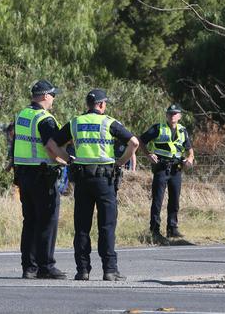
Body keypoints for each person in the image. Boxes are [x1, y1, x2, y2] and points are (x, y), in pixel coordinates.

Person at [47, 89, 139, 281]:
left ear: (88, 105)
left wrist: (68, 159)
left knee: (82, 226)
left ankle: (82, 270)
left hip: (82, 179)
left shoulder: (75, 122)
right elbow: (134, 142)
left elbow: (52, 144)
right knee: (106, 225)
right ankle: (110, 270)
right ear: (101, 105)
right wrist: (120, 162)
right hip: (105, 180)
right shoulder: (109, 122)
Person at [13, 80, 68, 279]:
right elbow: (51, 147)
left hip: (24, 175)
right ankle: (46, 266)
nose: (54, 99)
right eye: (53, 95)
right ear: (45, 96)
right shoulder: (45, 119)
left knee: (30, 221)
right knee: (47, 221)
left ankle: (29, 267)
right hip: (42, 176)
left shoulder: (23, 115)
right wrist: (66, 161)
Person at [139, 104, 194, 245]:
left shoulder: (183, 130)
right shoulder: (158, 128)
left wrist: (190, 159)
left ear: (180, 116)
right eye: (170, 113)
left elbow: (189, 149)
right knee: (157, 200)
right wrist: (148, 154)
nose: (172, 116)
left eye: (175, 113)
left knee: (174, 200)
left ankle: (172, 228)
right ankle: (155, 230)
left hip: (176, 169)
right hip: (162, 168)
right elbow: (140, 141)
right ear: (166, 115)